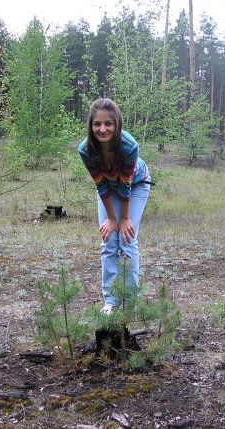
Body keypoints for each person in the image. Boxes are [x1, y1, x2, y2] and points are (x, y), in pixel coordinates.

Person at [78, 98, 151, 315]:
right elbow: (101, 184)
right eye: (97, 124)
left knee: (127, 238)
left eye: (108, 123)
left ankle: (130, 301)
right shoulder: (85, 150)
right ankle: (110, 301)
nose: (102, 129)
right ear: (90, 126)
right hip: (107, 187)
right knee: (109, 239)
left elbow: (125, 185)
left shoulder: (129, 146)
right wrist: (111, 219)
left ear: (116, 124)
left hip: (136, 185)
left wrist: (124, 219)